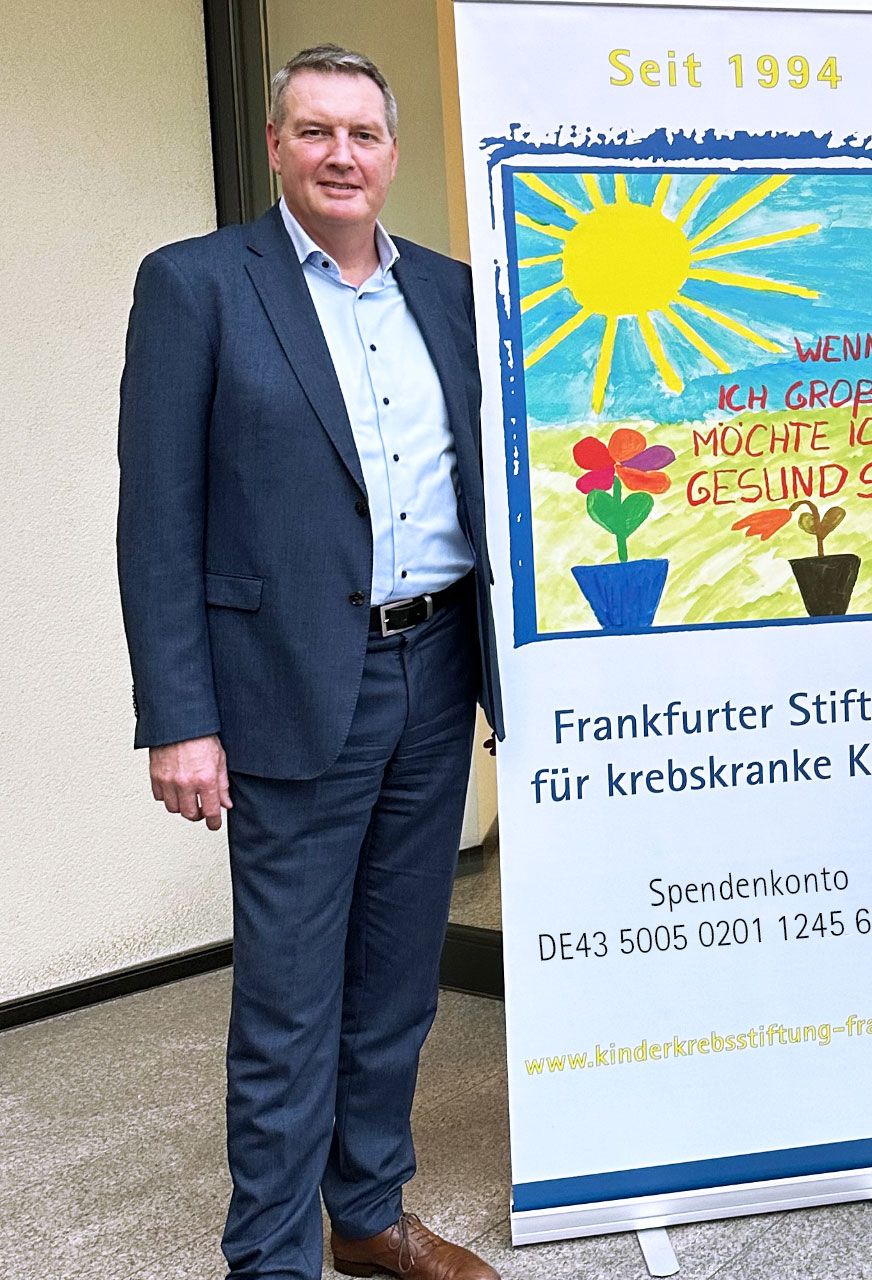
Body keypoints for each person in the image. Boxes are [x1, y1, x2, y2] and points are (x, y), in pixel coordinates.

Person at [117, 44, 504, 1280]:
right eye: (317, 131)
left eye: (364, 133)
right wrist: (180, 717)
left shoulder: (448, 290)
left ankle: (368, 1212)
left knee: (397, 977)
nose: (343, 154)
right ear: (278, 145)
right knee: (289, 997)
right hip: (288, 684)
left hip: (436, 668)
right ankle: (271, 1258)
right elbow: (157, 518)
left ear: (392, 151)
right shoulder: (196, 285)